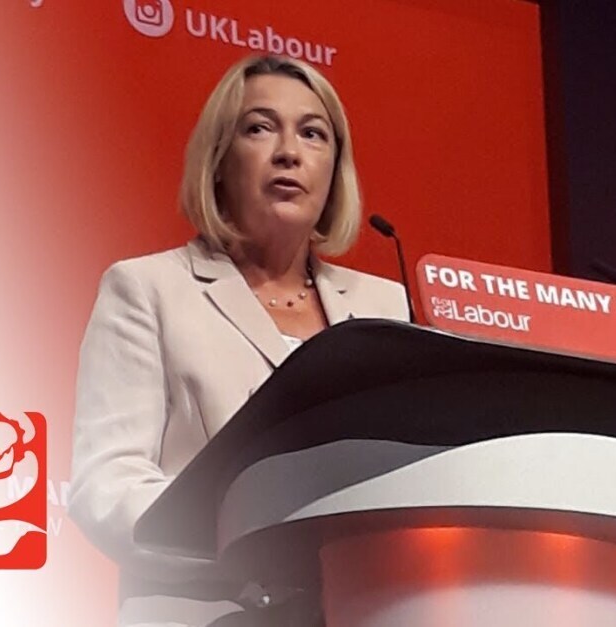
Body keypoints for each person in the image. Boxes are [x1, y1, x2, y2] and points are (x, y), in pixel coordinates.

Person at [68, 55, 410, 627]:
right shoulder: (149, 288)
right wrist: (240, 539)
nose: (289, 152)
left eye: (313, 134)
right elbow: (107, 484)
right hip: (207, 611)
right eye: (259, 128)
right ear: (220, 160)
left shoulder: (387, 305)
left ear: (335, 169)